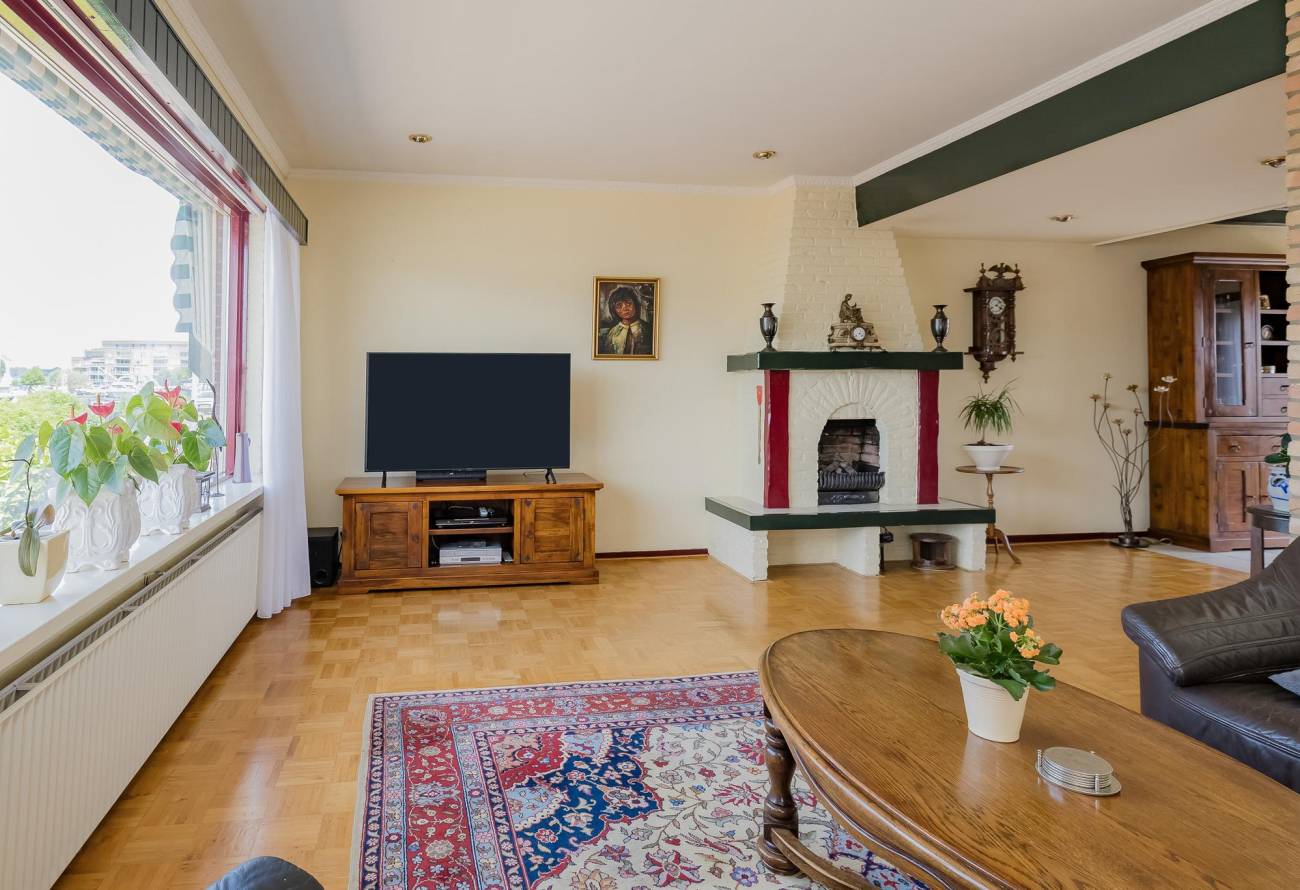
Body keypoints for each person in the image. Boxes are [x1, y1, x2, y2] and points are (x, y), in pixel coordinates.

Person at [598, 286, 654, 355]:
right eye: (619, 306)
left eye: (628, 303)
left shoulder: (648, 329)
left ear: (635, 304)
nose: (625, 308)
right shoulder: (613, 333)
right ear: (614, 310)